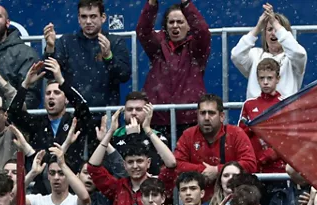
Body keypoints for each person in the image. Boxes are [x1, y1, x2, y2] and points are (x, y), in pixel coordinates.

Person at [43, 0, 132, 108]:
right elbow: (48, 74)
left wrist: (108, 57)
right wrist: (50, 49)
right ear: (78, 19)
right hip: (75, 113)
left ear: (103, 18)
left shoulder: (114, 41)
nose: (88, 21)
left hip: (106, 114)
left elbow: (124, 76)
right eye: (84, 17)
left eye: (93, 16)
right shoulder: (66, 42)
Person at [137, 0, 210, 130]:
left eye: (180, 22)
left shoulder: (196, 49)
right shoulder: (157, 47)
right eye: (171, 22)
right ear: (166, 26)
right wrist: (152, 4)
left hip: (189, 118)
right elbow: (143, 31)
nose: (175, 26)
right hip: (158, 119)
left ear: (189, 26)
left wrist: (186, 4)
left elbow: (202, 32)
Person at [232, 5, 307, 100]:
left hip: (284, 112)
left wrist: (275, 23)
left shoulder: (292, 59)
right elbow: (236, 55)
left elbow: (299, 53)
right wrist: (258, 27)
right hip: (258, 113)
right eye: (269, 29)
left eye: (277, 30)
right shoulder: (255, 55)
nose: (274, 33)